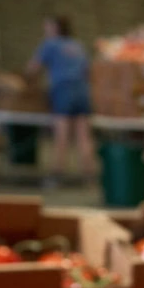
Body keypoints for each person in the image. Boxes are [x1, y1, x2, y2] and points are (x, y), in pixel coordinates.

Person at [27, 16, 94, 183]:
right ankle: (89, 172)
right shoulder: (77, 45)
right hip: (82, 90)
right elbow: (87, 70)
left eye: (48, 27)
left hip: (63, 89)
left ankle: (57, 171)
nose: (45, 31)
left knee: (61, 132)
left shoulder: (50, 45)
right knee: (83, 134)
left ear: (55, 28)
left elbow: (33, 68)